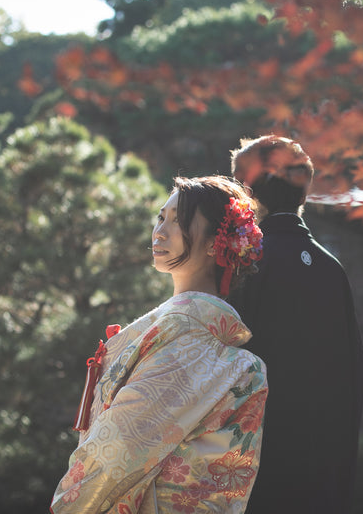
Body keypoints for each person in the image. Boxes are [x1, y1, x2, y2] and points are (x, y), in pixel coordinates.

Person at [51, 176, 268, 514]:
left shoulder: (186, 336)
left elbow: (121, 447)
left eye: (178, 222)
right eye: (160, 218)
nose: (160, 232)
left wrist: (68, 506)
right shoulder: (221, 351)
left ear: (215, 242)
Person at [229, 135, 363, 514]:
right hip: (323, 467)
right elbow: (354, 374)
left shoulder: (247, 264)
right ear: (304, 192)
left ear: (247, 193)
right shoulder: (332, 269)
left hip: (260, 464)